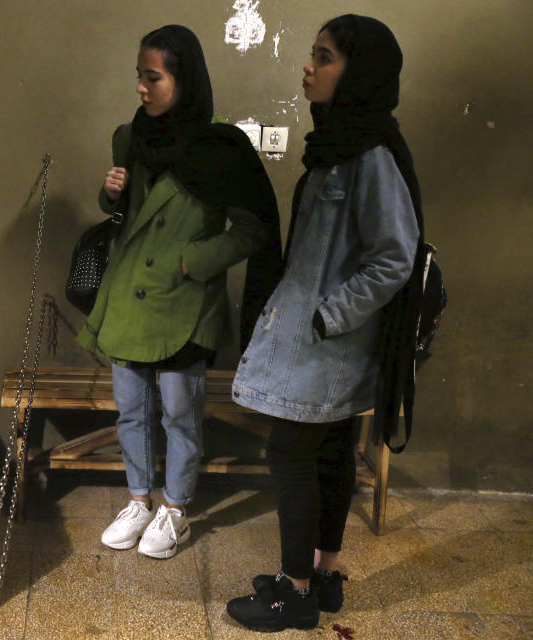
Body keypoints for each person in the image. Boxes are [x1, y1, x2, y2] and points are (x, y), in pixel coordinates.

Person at [226, 15, 422, 632]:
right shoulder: (339, 145)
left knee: (291, 454)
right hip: (321, 340)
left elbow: (396, 253)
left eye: (325, 57)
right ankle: (324, 574)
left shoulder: (369, 155)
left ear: (358, 73)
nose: (309, 67)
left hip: (328, 342)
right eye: (312, 54)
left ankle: (295, 590)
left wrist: (327, 315)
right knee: (333, 452)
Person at [77, 25, 282, 560]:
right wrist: (108, 193)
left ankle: (175, 510)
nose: (142, 88)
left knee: (179, 413)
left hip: (183, 300)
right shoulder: (130, 136)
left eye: (153, 77)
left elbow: (254, 227)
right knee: (130, 411)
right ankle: (139, 500)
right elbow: (125, 216)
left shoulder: (221, 145)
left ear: (183, 80)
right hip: (128, 294)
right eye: (139, 77)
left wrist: (191, 260)